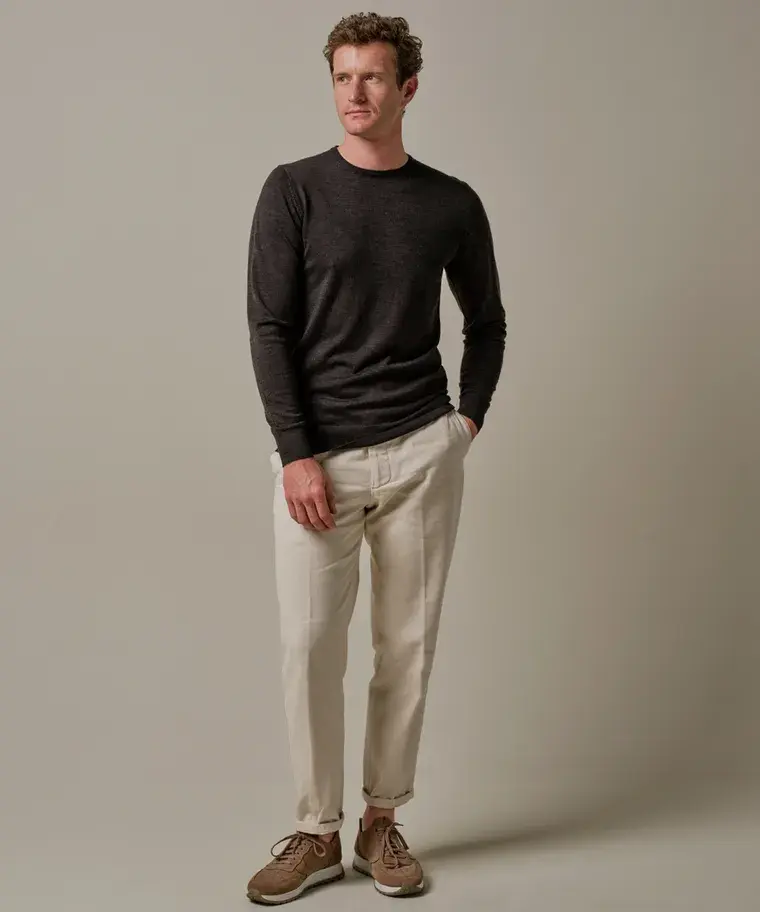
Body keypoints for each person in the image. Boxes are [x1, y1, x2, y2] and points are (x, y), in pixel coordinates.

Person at [245, 12, 506, 905]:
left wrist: (464, 425)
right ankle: (317, 832)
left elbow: (488, 322)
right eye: (342, 76)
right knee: (309, 646)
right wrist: (295, 453)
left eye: (372, 77)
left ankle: (380, 820)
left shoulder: (450, 203)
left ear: (407, 89)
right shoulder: (293, 190)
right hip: (318, 462)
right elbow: (269, 327)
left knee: (407, 647)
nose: (354, 93)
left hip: (421, 452)